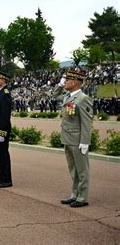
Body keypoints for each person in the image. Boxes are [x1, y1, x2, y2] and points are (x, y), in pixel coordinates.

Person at [53, 70, 93, 208]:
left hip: (77, 140)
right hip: (67, 138)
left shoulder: (83, 98)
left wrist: (85, 141)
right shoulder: (67, 97)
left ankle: (82, 197)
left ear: (75, 82)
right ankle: (74, 194)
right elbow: (55, 95)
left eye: (67, 80)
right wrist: (59, 84)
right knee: (73, 170)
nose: (65, 82)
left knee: (82, 170)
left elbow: (87, 122)